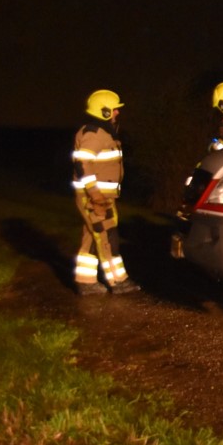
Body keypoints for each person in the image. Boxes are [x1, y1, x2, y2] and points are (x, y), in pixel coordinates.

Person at [71, 89, 140, 295]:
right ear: (104, 111)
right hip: (96, 198)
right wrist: (95, 195)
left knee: (92, 237)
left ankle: (85, 281)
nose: (118, 113)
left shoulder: (103, 133)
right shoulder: (94, 134)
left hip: (100, 196)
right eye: (114, 109)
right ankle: (118, 280)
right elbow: (83, 164)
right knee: (108, 237)